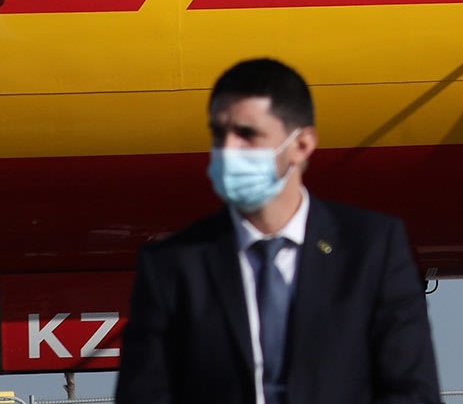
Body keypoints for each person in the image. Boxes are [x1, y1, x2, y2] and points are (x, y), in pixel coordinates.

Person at [118, 58, 441, 404]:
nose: (228, 150)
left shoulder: (372, 251)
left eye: (247, 134)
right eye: (218, 134)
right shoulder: (172, 266)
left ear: (301, 145)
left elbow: (412, 392)